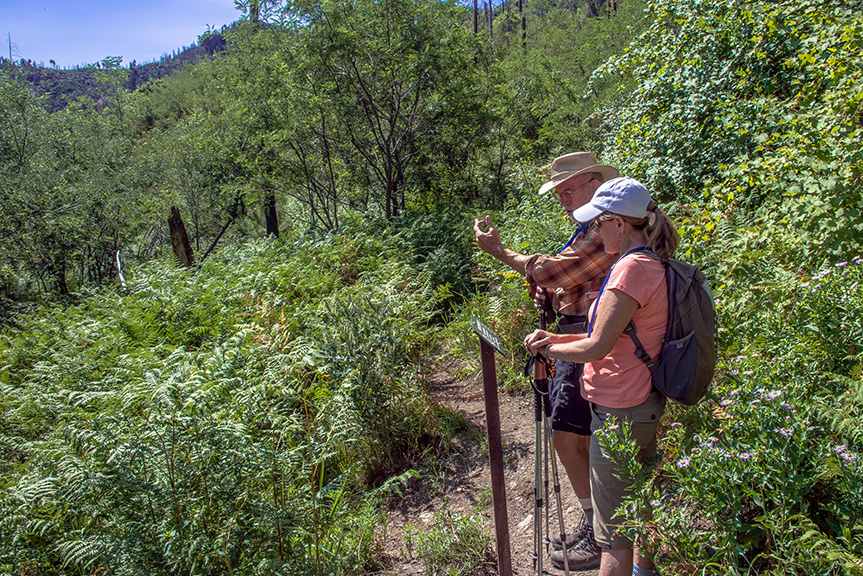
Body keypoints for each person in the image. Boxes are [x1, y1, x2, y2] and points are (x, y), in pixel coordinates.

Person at [523, 176, 678, 576]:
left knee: (613, 536)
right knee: (639, 504)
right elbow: (611, 335)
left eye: (599, 222)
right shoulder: (649, 263)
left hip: (620, 407)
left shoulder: (629, 271)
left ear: (619, 224)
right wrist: (556, 337)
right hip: (640, 401)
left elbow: (596, 347)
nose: (595, 230)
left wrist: (546, 349)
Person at [474, 152, 619, 570]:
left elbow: (553, 272)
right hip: (574, 332)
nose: (564, 199)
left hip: (585, 338)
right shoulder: (589, 228)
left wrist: (501, 252)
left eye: (569, 190)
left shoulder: (606, 228)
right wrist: (552, 293)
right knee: (573, 433)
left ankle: (600, 533)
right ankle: (595, 523)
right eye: (560, 193)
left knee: (568, 434)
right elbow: (563, 280)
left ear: (594, 184)